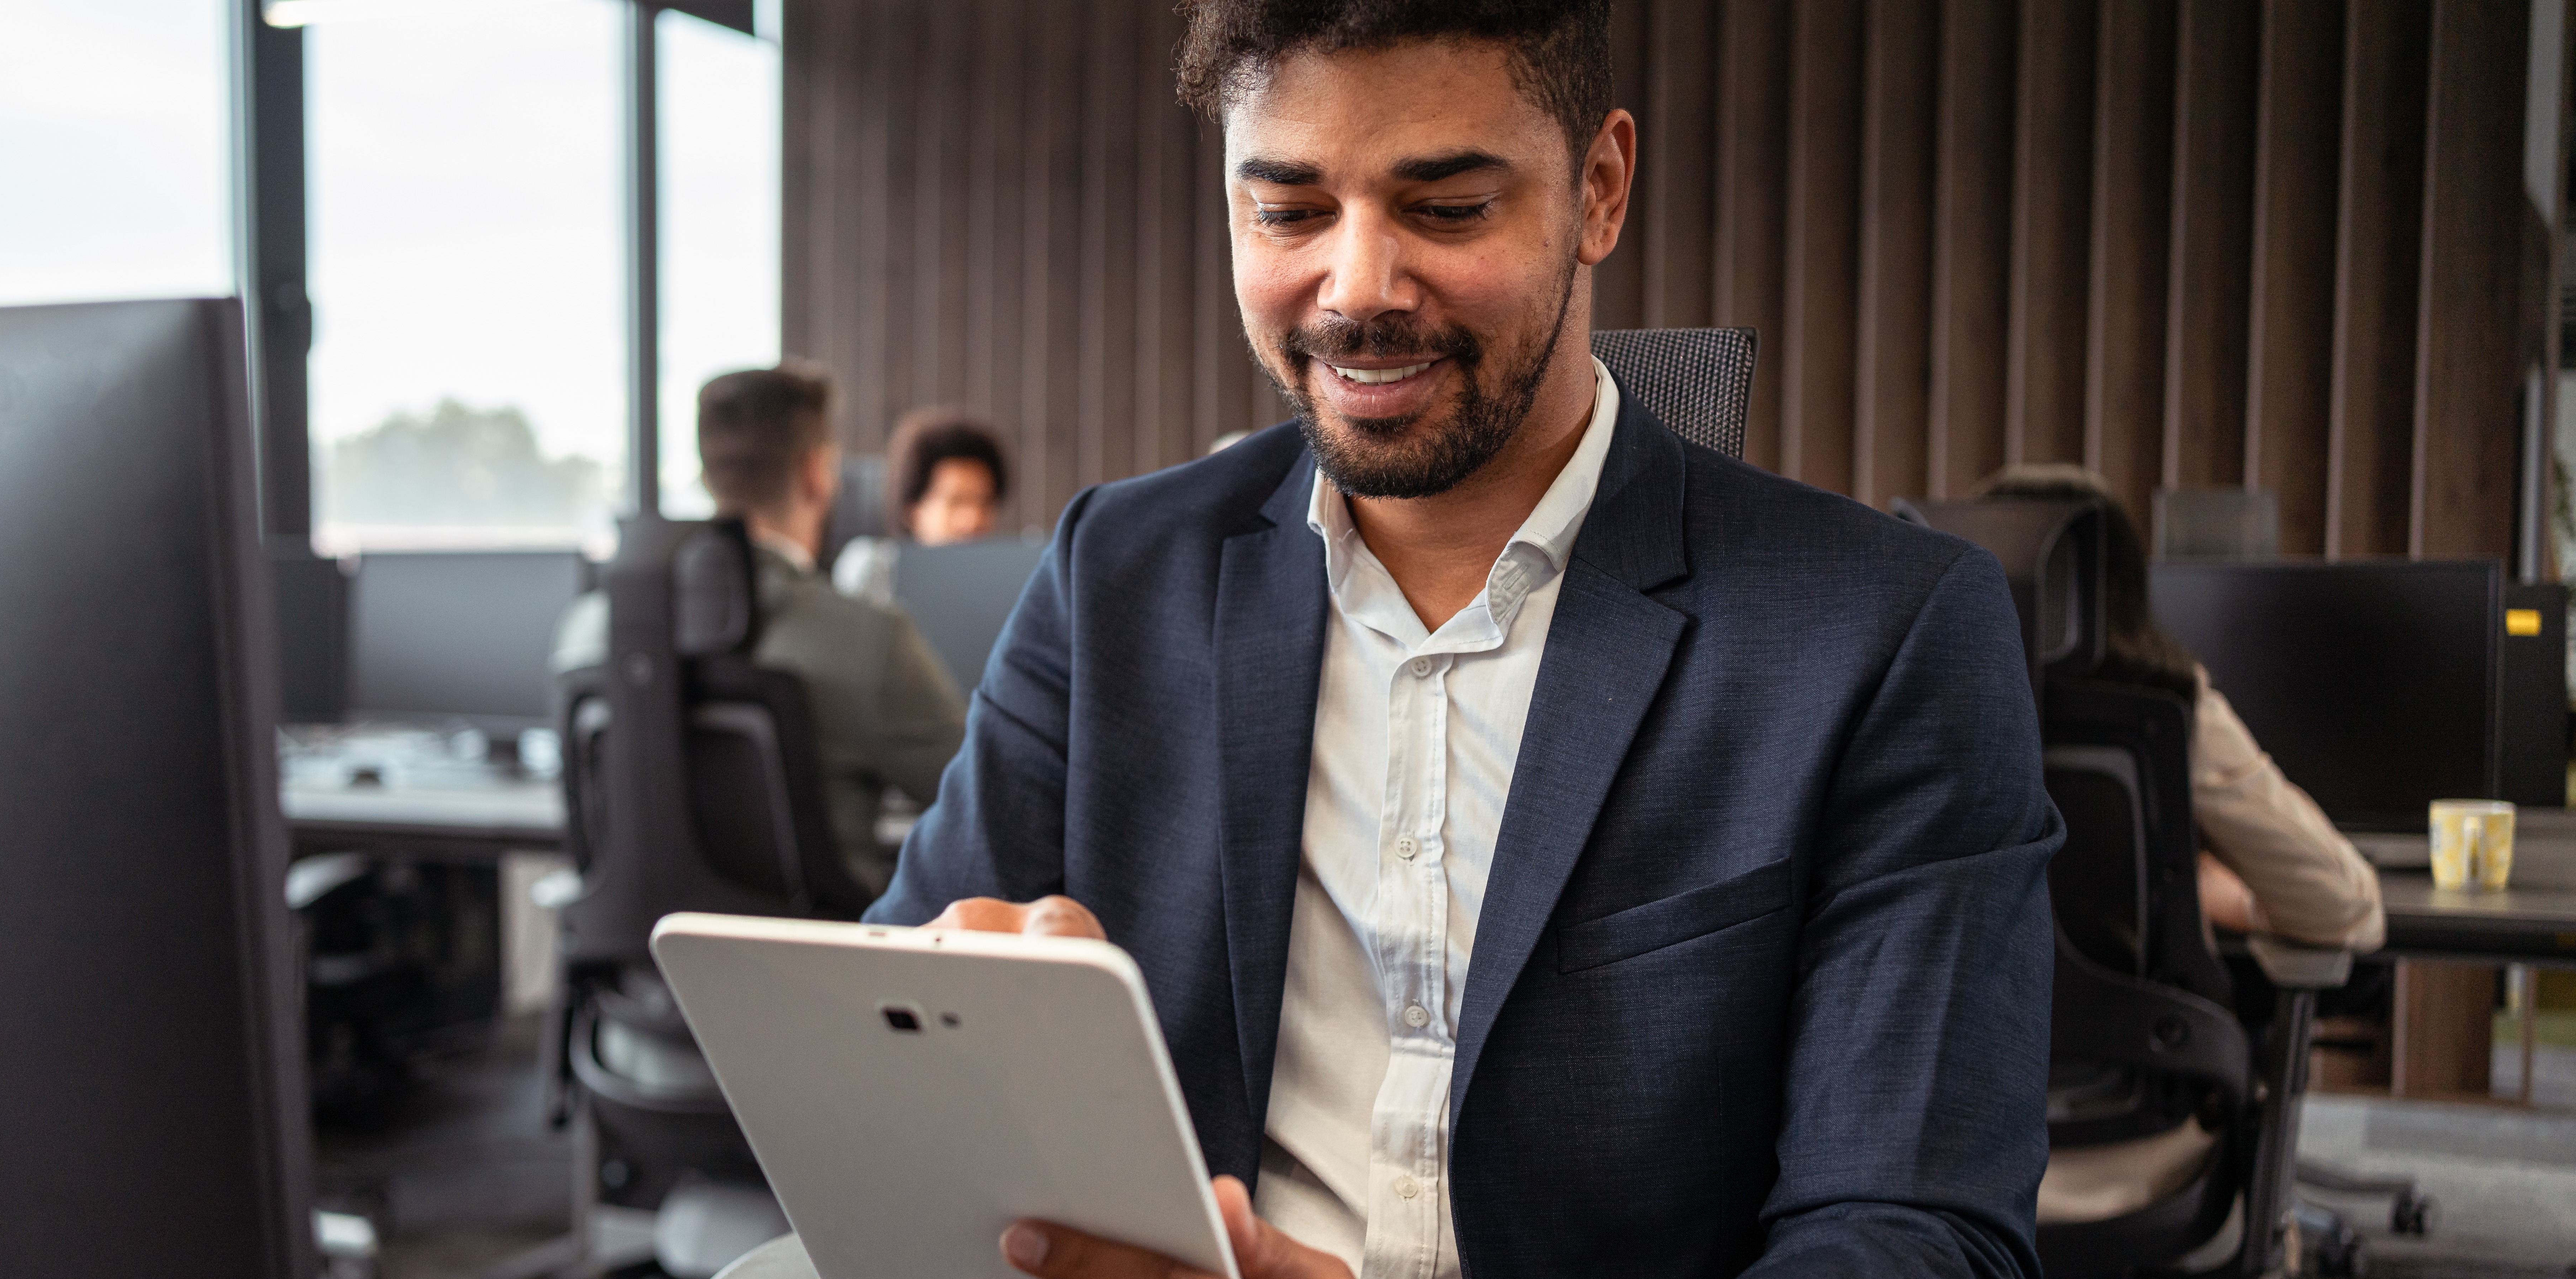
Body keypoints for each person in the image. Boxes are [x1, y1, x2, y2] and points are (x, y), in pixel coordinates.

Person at [868, 4, 2062, 1277]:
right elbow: (881, 1026)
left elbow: (1912, 1236)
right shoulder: (1115, 574)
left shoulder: (1880, 633)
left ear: (1596, 190)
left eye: (1442, 209)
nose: (1355, 288)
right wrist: (941, 1038)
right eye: (1287, 212)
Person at [1978, 465, 2384, 1244]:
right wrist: (2219, 891)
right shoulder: (2164, 712)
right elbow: (2348, 907)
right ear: (2122, 590)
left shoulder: (1906, 701)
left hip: (1934, 1149)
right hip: (2136, 1144)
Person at [667, 364, 969, 892]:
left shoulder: (593, 632)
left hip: (657, 966)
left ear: (710, 475)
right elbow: (991, 807)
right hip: (817, 969)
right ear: (816, 473)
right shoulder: (868, 640)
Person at [833, 408, 1013, 604]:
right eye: (956, 501)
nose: (974, 518)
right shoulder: (875, 571)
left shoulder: (1008, 585)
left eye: (985, 502)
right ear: (913, 509)